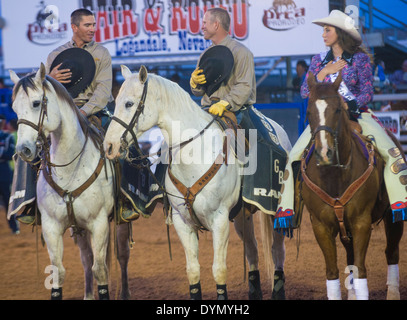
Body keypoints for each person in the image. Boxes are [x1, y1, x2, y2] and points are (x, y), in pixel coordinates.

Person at [275, 10, 407, 234]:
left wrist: (349, 105)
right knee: (294, 156)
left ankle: (398, 200)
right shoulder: (318, 60)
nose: (323, 34)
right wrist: (324, 72)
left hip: (357, 116)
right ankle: (289, 210)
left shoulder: (360, 59)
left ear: (340, 33)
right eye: (323, 30)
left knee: (390, 150)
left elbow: (367, 92)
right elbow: (305, 91)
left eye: (328, 30)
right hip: (325, 119)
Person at [190, 7, 287, 299]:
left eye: (205, 23)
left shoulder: (242, 52)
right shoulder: (206, 54)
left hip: (239, 112)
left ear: (217, 24)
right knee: (180, 145)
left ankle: (266, 188)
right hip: (208, 111)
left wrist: (227, 103)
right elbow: (201, 88)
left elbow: (244, 88)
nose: (201, 27)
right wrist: (196, 86)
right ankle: (172, 198)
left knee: (266, 147)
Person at [14, 9, 139, 224]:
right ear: (74, 27)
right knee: (28, 148)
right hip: (60, 113)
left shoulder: (102, 53)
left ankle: (126, 200)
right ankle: (29, 203)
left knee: (125, 145)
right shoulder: (55, 55)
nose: (92, 29)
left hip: (94, 112)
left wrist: (82, 112)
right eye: (87, 25)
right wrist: (49, 78)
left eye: (93, 25)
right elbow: (41, 89)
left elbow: (102, 91)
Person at [0, 115, 19, 234]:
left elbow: (9, 154)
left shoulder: (8, 136)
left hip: (4, 171)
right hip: (5, 168)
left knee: (8, 199)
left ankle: (14, 227)